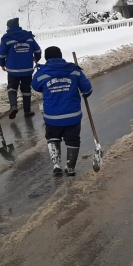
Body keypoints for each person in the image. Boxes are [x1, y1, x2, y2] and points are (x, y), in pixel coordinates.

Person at [32, 47, 93, 176]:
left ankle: (56, 166)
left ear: (46, 58)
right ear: (61, 56)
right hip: (73, 116)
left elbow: (35, 86)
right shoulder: (75, 71)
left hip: (52, 117)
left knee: (53, 138)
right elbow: (87, 89)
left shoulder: (41, 73)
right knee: (73, 140)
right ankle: (70, 168)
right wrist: (85, 93)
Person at [0, 18, 41, 119]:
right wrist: (37, 58)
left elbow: (1, 54)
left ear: (9, 27)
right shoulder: (28, 36)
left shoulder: (7, 38)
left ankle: (13, 106)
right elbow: (37, 50)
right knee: (26, 89)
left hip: (13, 70)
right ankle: (27, 111)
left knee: (12, 87)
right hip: (27, 69)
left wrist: (2, 64)